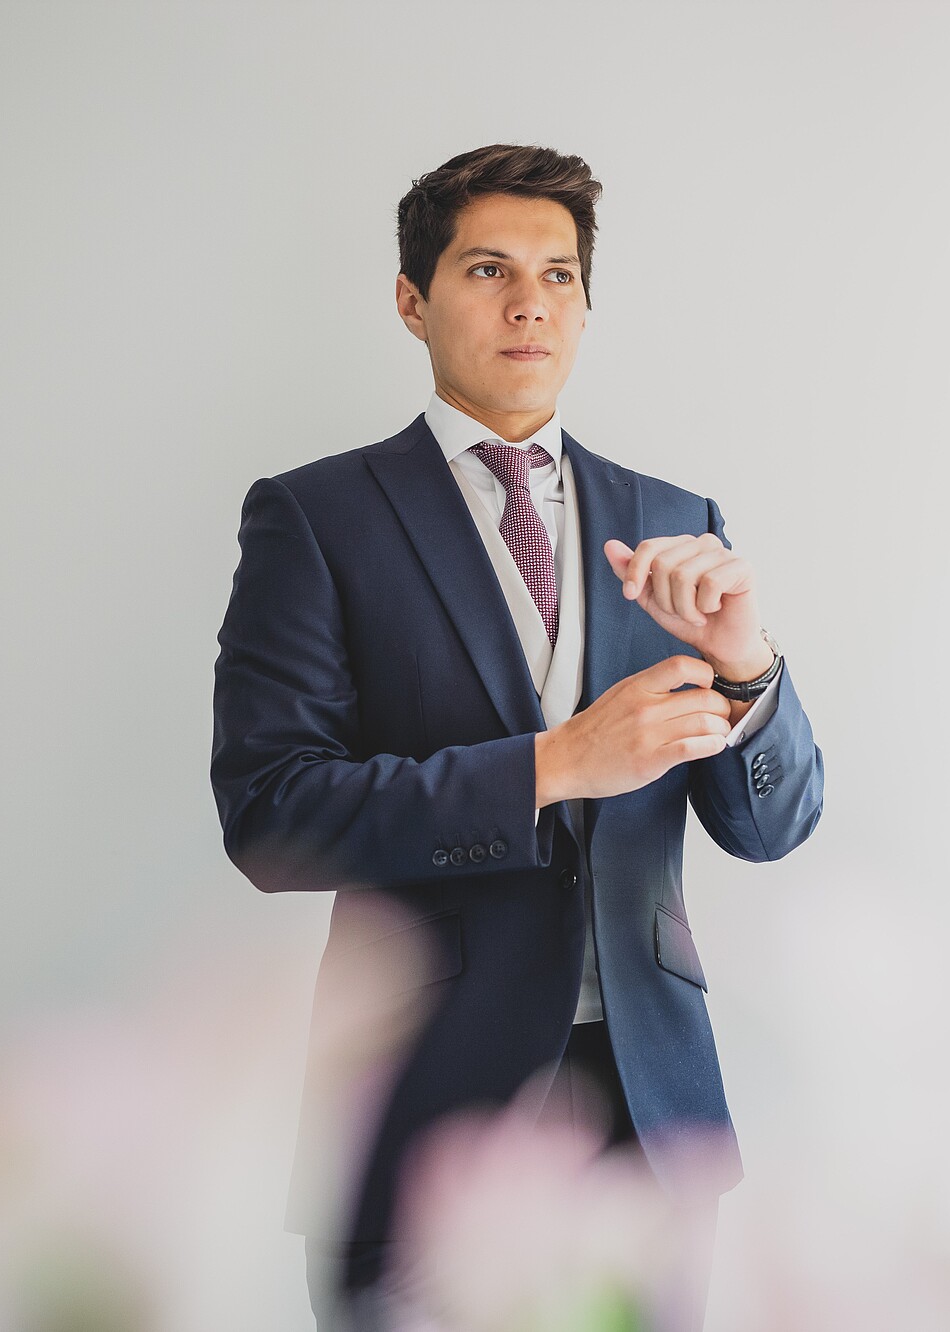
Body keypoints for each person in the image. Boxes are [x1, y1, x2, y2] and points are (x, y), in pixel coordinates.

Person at [209, 143, 825, 1330]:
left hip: (648, 1112)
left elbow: (774, 824)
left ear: (586, 306)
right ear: (410, 299)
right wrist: (553, 766)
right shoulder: (315, 518)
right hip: (423, 1101)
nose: (528, 300)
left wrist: (750, 667)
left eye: (556, 274)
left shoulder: (673, 520)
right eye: (487, 268)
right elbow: (271, 816)